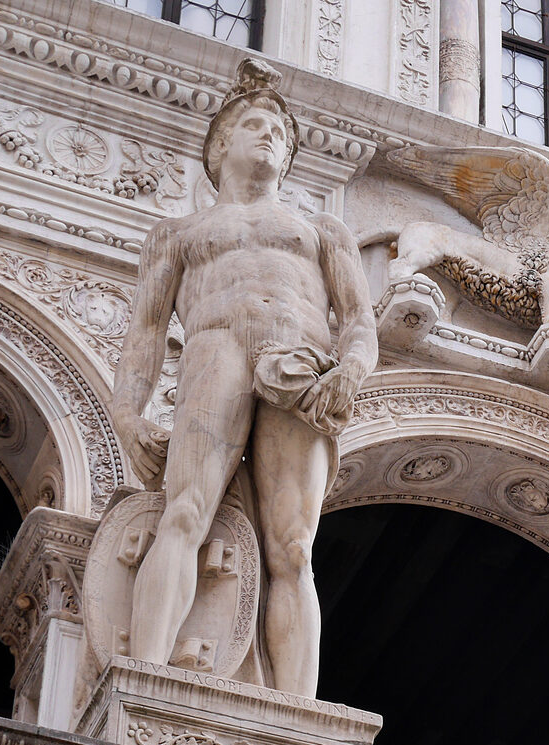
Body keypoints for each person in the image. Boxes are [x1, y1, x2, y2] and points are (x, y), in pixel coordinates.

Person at [108, 59, 377, 698]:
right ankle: (142, 676)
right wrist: (126, 413)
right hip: (214, 351)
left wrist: (355, 371)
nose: (271, 139)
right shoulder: (179, 233)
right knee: (185, 511)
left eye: (280, 134)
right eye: (256, 126)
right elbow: (146, 333)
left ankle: (297, 709)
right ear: (221, 144)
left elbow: (360, 320)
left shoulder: (320, 229)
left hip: (300, 367)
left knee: (294, 548)